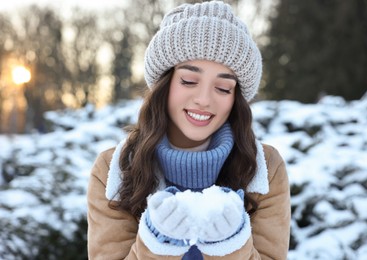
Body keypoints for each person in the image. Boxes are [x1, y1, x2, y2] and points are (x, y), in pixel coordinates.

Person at [87, 1, 290, 259]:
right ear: (165, 82)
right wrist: (158, 242)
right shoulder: (113, 169)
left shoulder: (265, 169)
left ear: (235, 97)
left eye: (223, 88)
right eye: (189, 81)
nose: (204, 99)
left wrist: (229, 245)